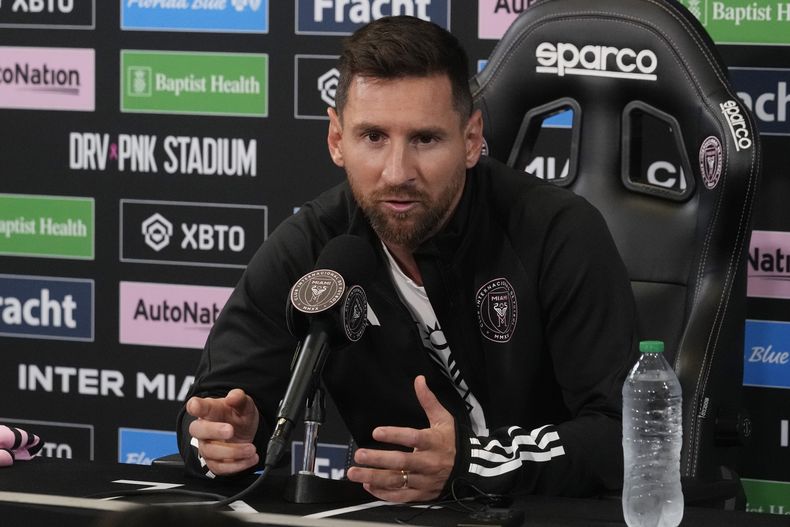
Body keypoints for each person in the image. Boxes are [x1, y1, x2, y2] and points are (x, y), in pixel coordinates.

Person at [177, 15, 638, 503]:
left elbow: (621, 434)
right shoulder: (313, 248)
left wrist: (469, 462)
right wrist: (219, 440)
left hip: (545, 514)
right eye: (373, 137)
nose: (397, 172)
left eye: (425, 139)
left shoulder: (556, 231)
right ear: (337, 140)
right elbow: (217, 403)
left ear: (472, 138)